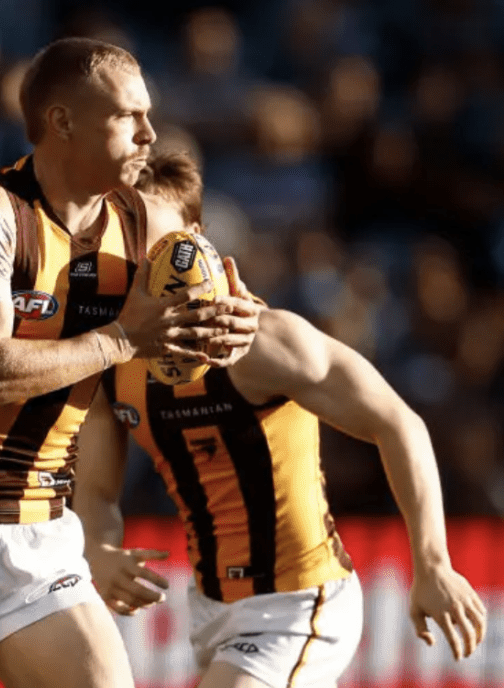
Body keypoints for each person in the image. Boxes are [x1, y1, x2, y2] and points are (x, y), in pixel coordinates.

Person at [0, 37, 262, 688]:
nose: (149, 132)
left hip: (39, 535)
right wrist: (122, 339)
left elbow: (212, 319)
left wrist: (235, 329)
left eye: (148, 114)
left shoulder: (148, 226)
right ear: (63, 122)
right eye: (128, 116)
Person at [72, 150, 487, 688]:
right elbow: (97, 493)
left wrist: (432, 563)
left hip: (299, 601)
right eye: (122, 239)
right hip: (211, 607)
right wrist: (99, 551)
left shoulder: (263, 343)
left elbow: (398, 422)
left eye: (155, 241)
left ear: (198, 238)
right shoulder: (113, 358)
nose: (139, 260)